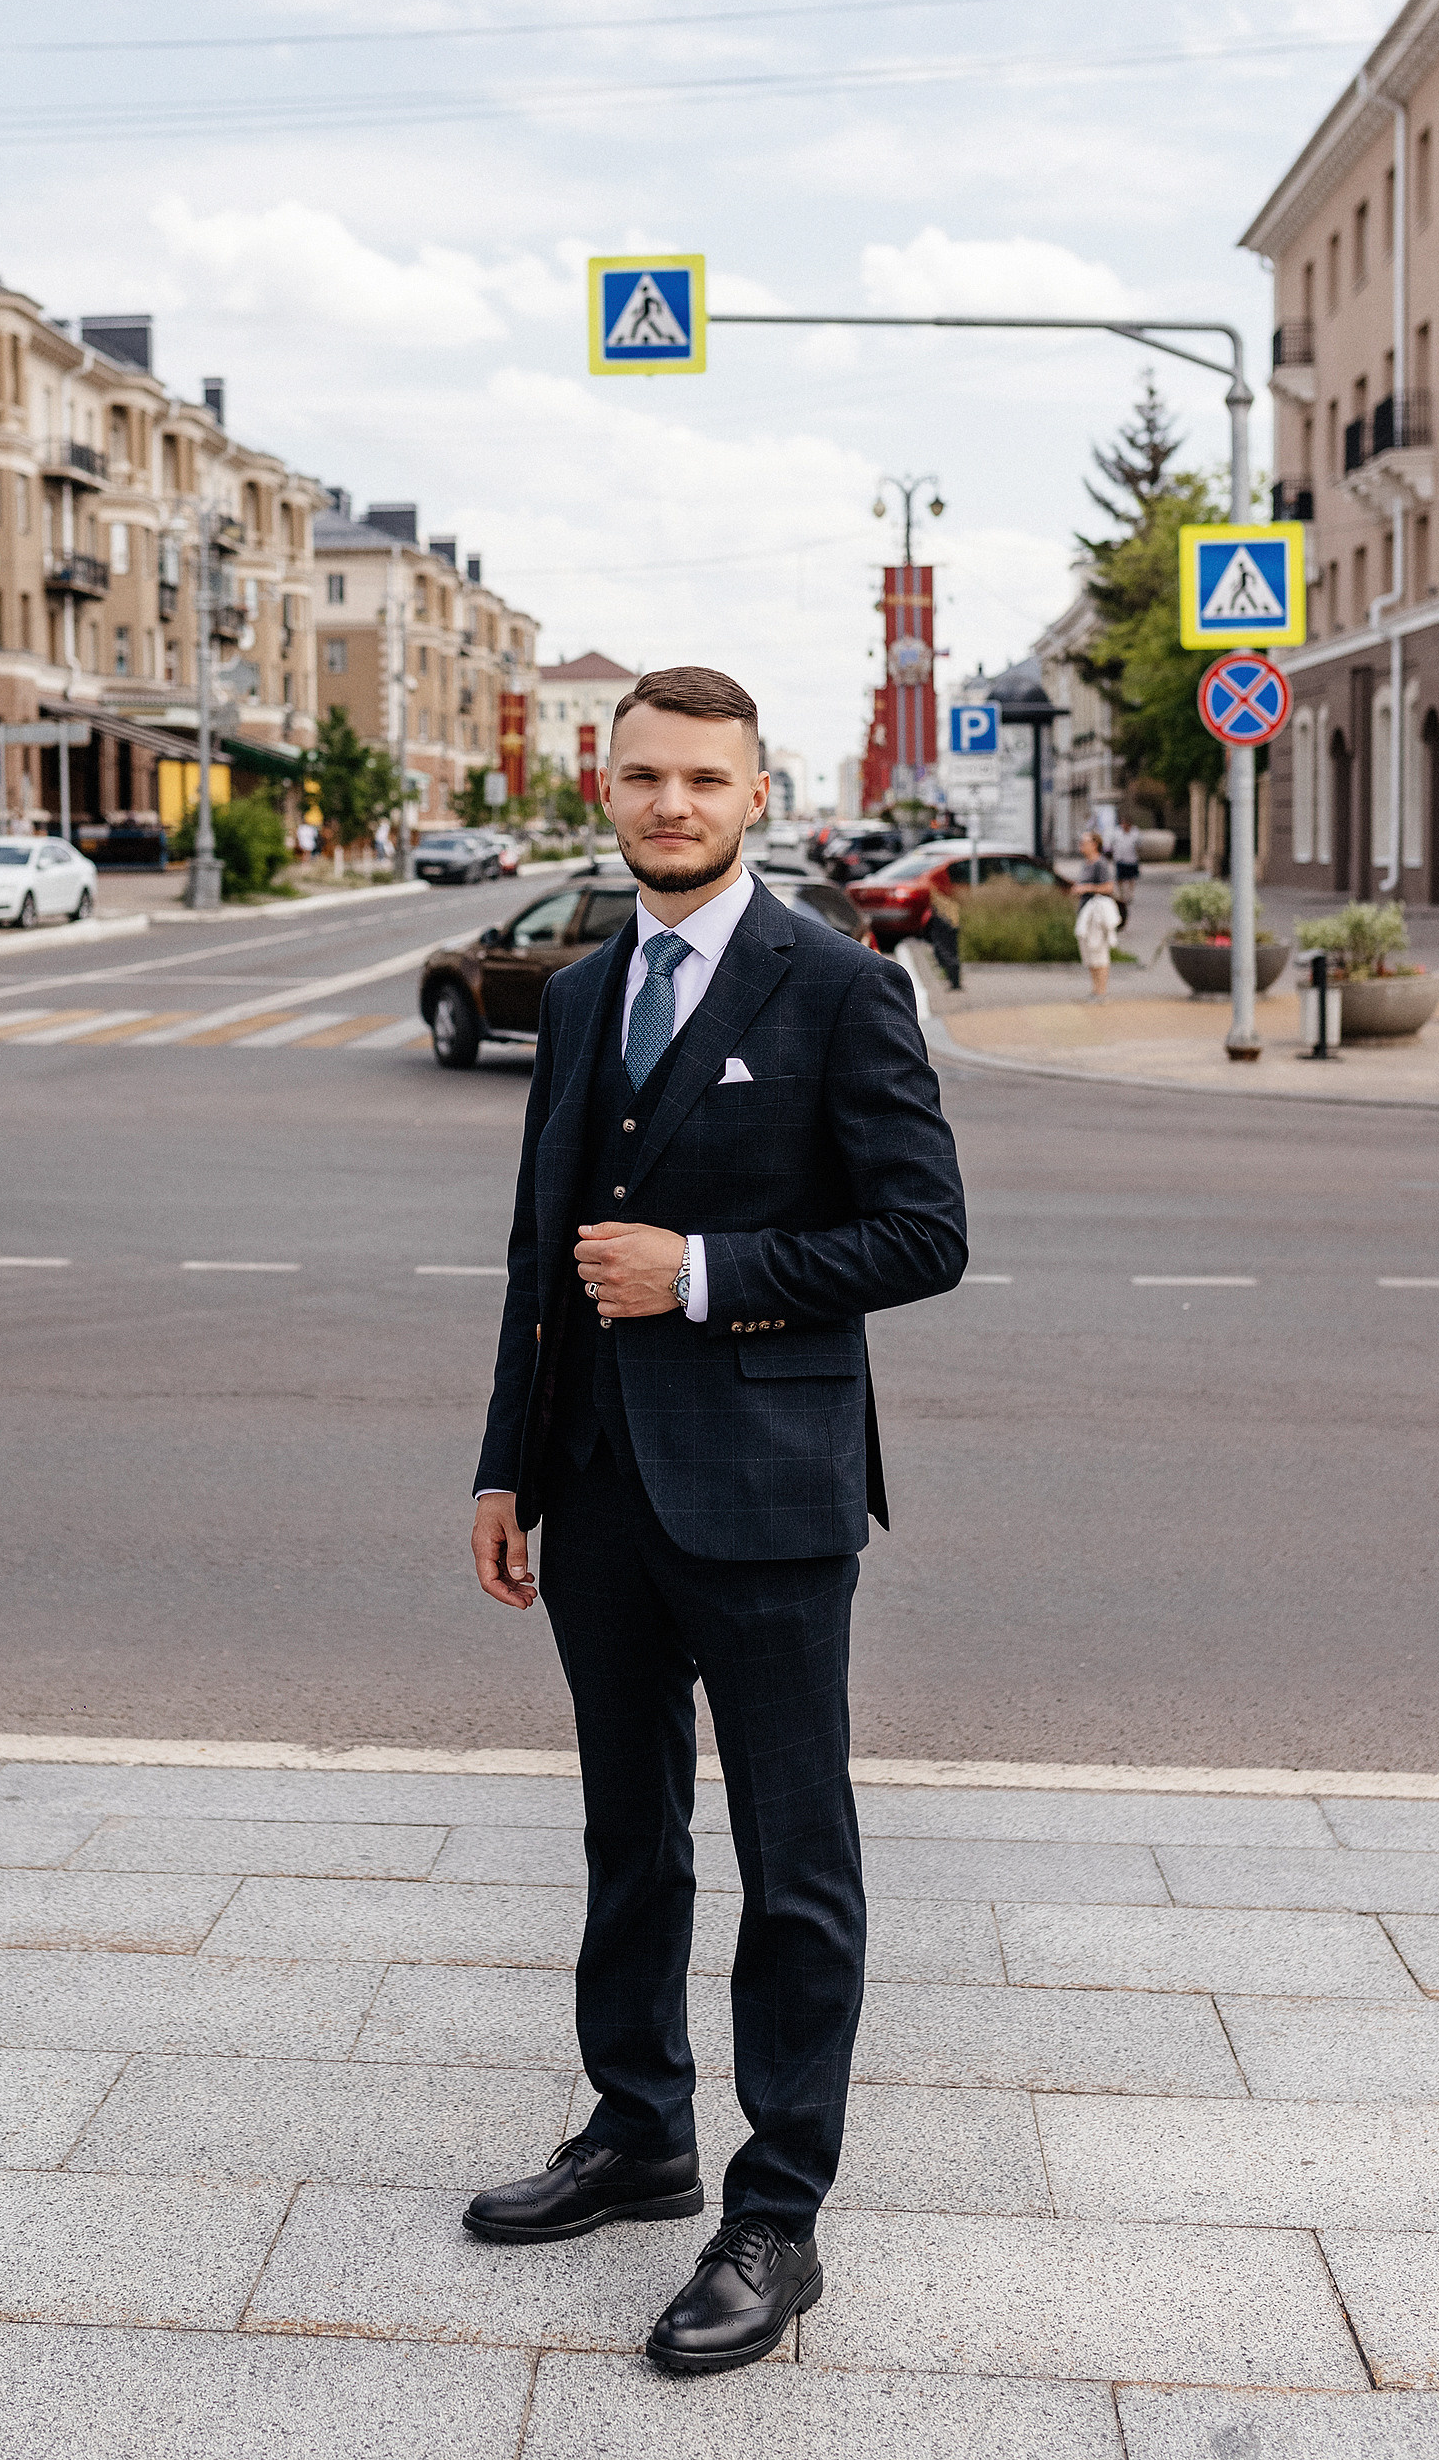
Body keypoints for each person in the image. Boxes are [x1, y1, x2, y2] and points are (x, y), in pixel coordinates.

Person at [464, 665, 968, 2376]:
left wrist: (700, 1275)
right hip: (598, 1492)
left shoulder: (836, 987)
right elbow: (542, 1257)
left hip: (768, 1494)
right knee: (628, 1835)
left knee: (794, 1860)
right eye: (643, 777)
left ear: (760, 796)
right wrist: (503, 1470)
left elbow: (924, 1236)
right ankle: (638, 2134)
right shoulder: (588, 985)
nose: (672, 803)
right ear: (600, 794)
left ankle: (779, 2208)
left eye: (705, 779)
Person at [1075, 881, 1121, 999]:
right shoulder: (1087, 866)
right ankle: (1095, 990)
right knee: (1090, 959)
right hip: (1087, 919)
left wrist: (1087, 888)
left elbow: (1109, 887)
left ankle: (1101, 991)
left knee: (1100, 957)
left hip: (1097, 922)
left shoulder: (1100, 866)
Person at [923, 860, 962, 992]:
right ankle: (954, 981)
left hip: (944, 919)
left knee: (945, 950)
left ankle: (954, 982)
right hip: (949, 919)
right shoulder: (942, 876)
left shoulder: (937, 875)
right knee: (948, 950)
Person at [1110, 816, 1140, 928]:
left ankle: (1130, 894)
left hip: (1131, 859)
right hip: (1120, 859)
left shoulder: (1135, 833)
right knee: (1120, 878)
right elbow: (1112, 844)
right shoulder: (1117, 832)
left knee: (1131, 878)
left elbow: (1138, 844)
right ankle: (1122, 894)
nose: (1124, 825)